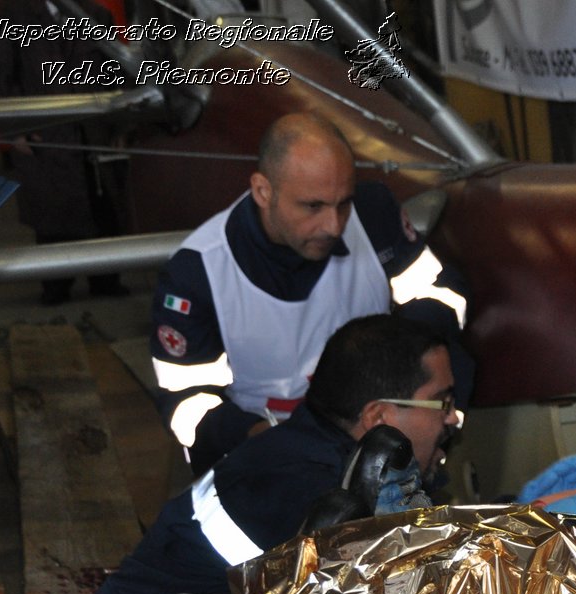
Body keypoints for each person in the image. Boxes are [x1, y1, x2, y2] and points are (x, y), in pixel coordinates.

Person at [75, 313, 576, 594]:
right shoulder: (308, 491)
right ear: (379, 417)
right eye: (441, 403)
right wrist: (528, 533)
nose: (452, 418)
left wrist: (511, 510)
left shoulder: (311, 450)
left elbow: (422, 538)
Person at [151, 111, 473, 472]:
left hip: (381, 439)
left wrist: (396, 367)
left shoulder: (371, 212)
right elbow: (184, 403)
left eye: (343, 203)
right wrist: (260, 437)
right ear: (263, 191)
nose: (333, 225)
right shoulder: (197, 275)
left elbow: (444, 295)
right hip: (266, 457)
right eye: (313, 206)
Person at [0, 0, 130, 305]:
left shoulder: (96, 15)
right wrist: (15, 131)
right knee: (52, 213)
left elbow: (114, 73)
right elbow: (2, 74)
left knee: (103, 208)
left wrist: (119, 129)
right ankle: (56, 286)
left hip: (93, 133)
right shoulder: (14, 16)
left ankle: (105, 280)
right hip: (44, 135)